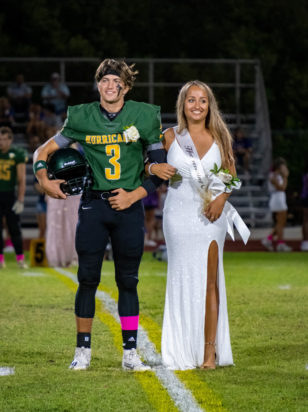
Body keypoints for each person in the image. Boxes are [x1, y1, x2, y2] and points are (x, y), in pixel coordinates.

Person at [33, 58, 165, 371]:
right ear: (98, 84)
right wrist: (42, 177)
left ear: (126, 87)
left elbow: (159, 168)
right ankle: (83, 351)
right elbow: (43, 152)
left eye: (116, 81)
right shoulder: (82, 116)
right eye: (104, 80)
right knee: (87, 278)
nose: (109, 85)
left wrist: (134, 194)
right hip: (93, 205)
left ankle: (130, 353)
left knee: (128, 281)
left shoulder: (143, 116)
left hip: (129, 207)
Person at [150, 80, 250, 370]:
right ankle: (181, 347)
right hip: (178, 214)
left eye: (202, 100)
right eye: (191, 100)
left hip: (212, 216)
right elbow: (147, 163)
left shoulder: (220, 136)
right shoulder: (169, 136)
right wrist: (153, 167)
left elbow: (231, 174)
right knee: (182, 278)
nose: (197, 105)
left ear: (210, 105)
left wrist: (221, 199)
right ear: (183, 104)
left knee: (210, 280)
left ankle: (210, 351)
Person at [0, 126, 28, 268]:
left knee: (14, 228)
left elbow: (21, 179)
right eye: (0, 139)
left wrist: (21, 199)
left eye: (5, 139)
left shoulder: (17, 153)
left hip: (9, 195)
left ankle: (20, 259)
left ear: (10, 140)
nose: (1, 142)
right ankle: (0, 260)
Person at [261, 157, 292, 252]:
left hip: (279, 198)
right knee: (280, 222)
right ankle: (280, 243)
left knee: (281, 223)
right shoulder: (274, 176)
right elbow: (281, 188)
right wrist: (286, 177)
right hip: (277, 198)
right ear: (279, 166)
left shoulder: (277, 175)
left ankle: (268, 239)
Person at [300, 161, 308, 251]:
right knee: (306, 221)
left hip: (305, 198)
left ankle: (305, 242)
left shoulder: (305, 174)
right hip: (306, 198)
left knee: (305, 221)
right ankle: (306, 242)